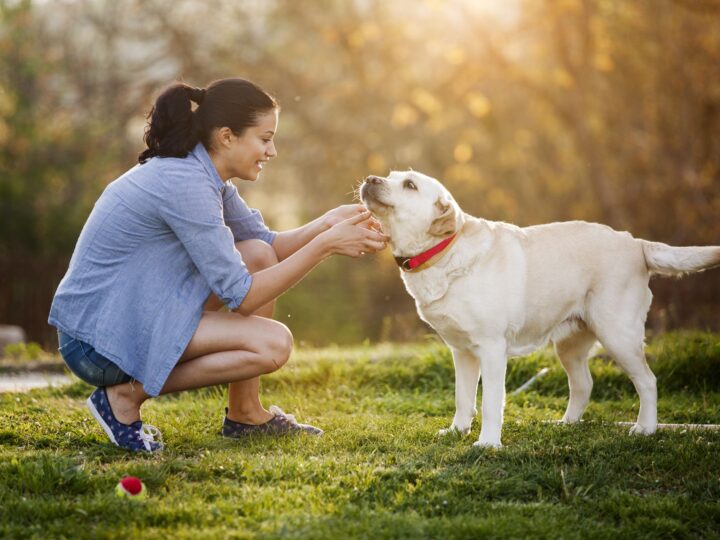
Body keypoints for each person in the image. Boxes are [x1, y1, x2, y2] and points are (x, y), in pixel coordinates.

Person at [48, 78, 388, 452]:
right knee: (273, 345)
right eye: (265, 138)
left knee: (258, 254)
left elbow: (269, 247)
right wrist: (325, 246)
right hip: (98, 344)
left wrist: (325, 224)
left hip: (135, 317)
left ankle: (245, 414)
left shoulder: (205, 175)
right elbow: (241, 296)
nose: (272, 151)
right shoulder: (185, 183)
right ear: (227, 136)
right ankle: (124, 398)